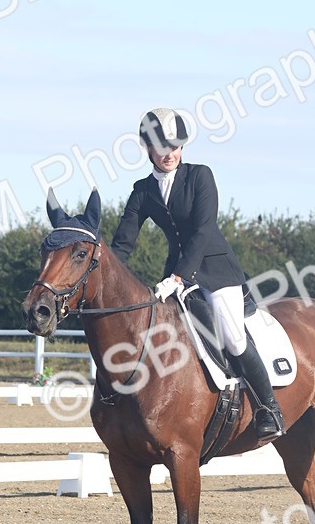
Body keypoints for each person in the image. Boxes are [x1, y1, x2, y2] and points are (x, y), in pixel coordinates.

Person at [110, 107, 286, 441]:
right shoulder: (142, 191)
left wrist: (178, 277)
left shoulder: (200, 176)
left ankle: (269, 409)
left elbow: (203, 231)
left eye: (175, 147)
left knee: (233, 337)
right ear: (148, 149)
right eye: (162, 148)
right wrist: (102, 275)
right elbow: (122, 244)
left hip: (215, 271)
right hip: (176, 277)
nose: (170, 154)